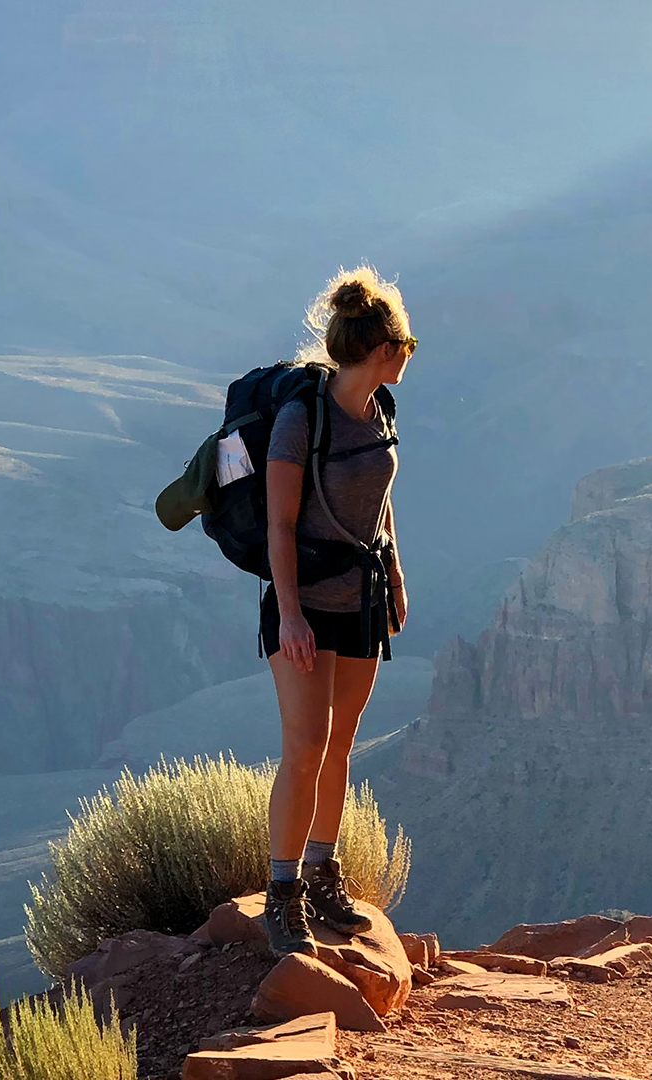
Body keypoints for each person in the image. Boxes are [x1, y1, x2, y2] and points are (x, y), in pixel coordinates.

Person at [258, 267, 414, 955]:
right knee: (304, 748)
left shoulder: (380, 409)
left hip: (363, 597)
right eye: (406, 345)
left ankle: (324, 872)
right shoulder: (303, 419)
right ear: (382, 350)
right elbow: (278, 527)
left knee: (341, 743)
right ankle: (282, 895)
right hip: (304, 603)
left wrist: (397, 573)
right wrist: (290, 615)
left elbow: (379, 501)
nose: (408, 357)